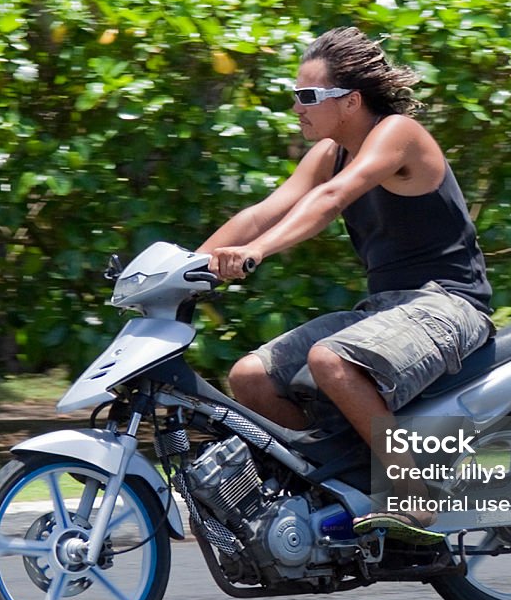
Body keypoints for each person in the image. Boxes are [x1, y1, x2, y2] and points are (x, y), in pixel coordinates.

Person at [198, 27, 494, 542]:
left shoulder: (399, 133)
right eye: (295, 95)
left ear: (352, 100)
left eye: (308, 96)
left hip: (448, 304)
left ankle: (416, 489)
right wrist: (182, 269)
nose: (297, 107)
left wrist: (257, 252)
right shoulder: (329, 152)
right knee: (250, 377)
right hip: (383, 310)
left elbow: (333, 198)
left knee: (331, 360)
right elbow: (261, 212)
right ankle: (338, 485)